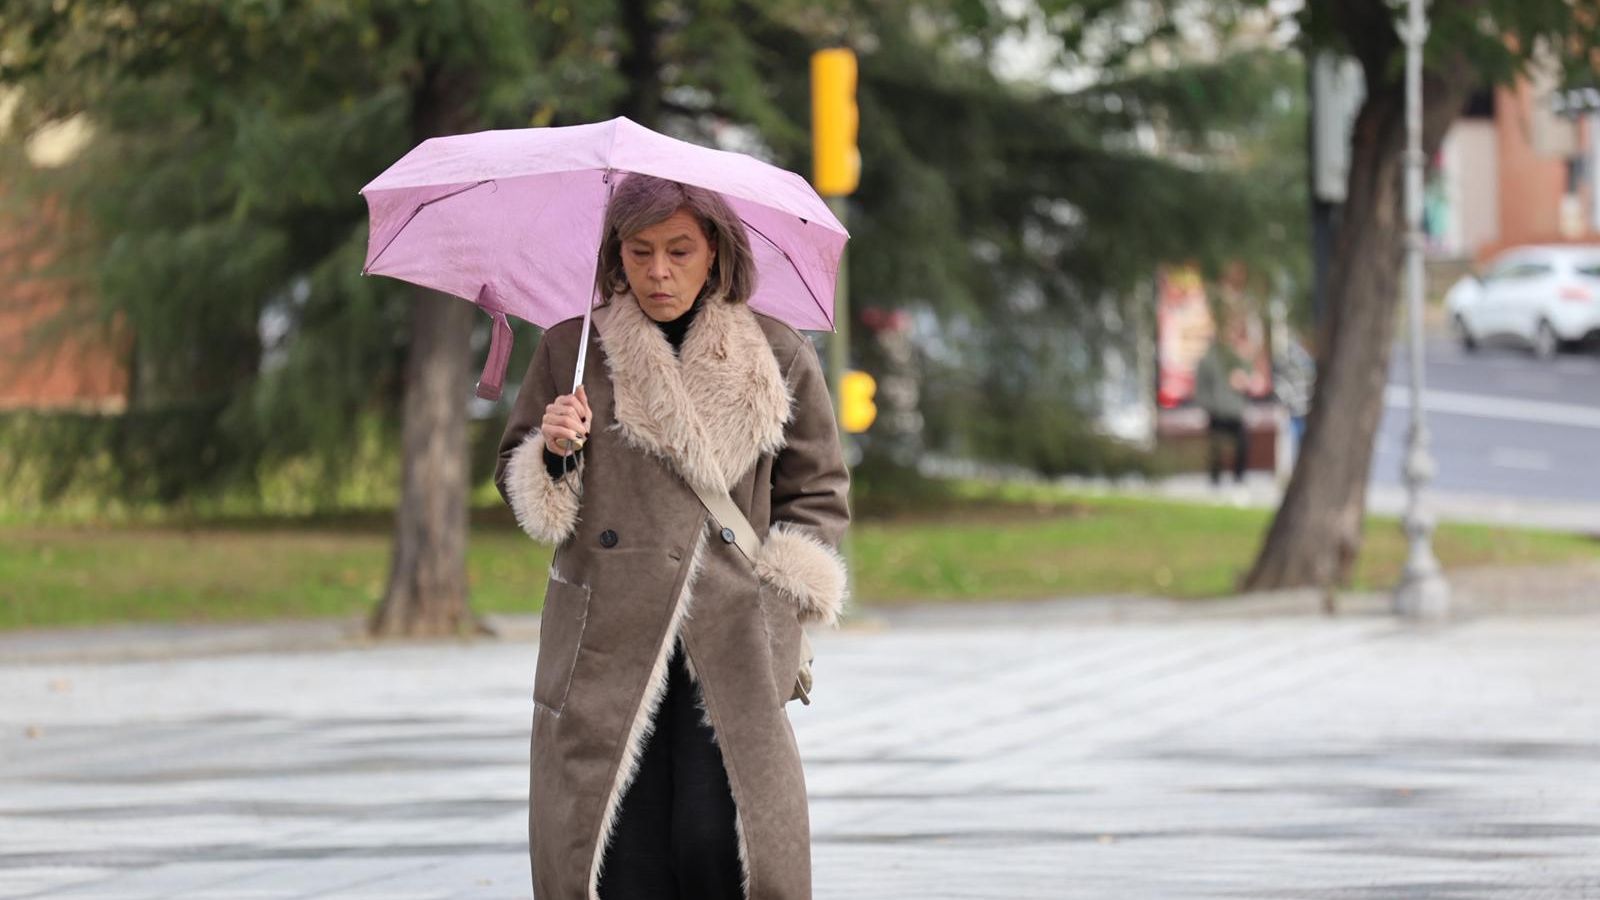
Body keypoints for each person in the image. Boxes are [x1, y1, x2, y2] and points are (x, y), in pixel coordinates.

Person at [493, 173, 850, 900]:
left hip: (732, 628)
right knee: (618, 852)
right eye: (640, 251)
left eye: (679, 251)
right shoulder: (572, 349)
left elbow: (816, 492)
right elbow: (519, 482)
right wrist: (553, 451)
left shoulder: (777, 353)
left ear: (714, 251)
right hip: (608, 631)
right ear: (616, 255)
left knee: (720, 843)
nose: (658, 271)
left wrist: (781, 602)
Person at [1194, 322, 1254, 486]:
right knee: (1216, 448)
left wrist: (1244, 381)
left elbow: (1248, 378)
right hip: (1217, 411)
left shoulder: (1235, 358)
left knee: (1242, 444)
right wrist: (1210, 407)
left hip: (1235, 410)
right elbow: (1201, 388)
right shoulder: (1208, 360)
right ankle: (1215, 478)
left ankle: (1238, 477)